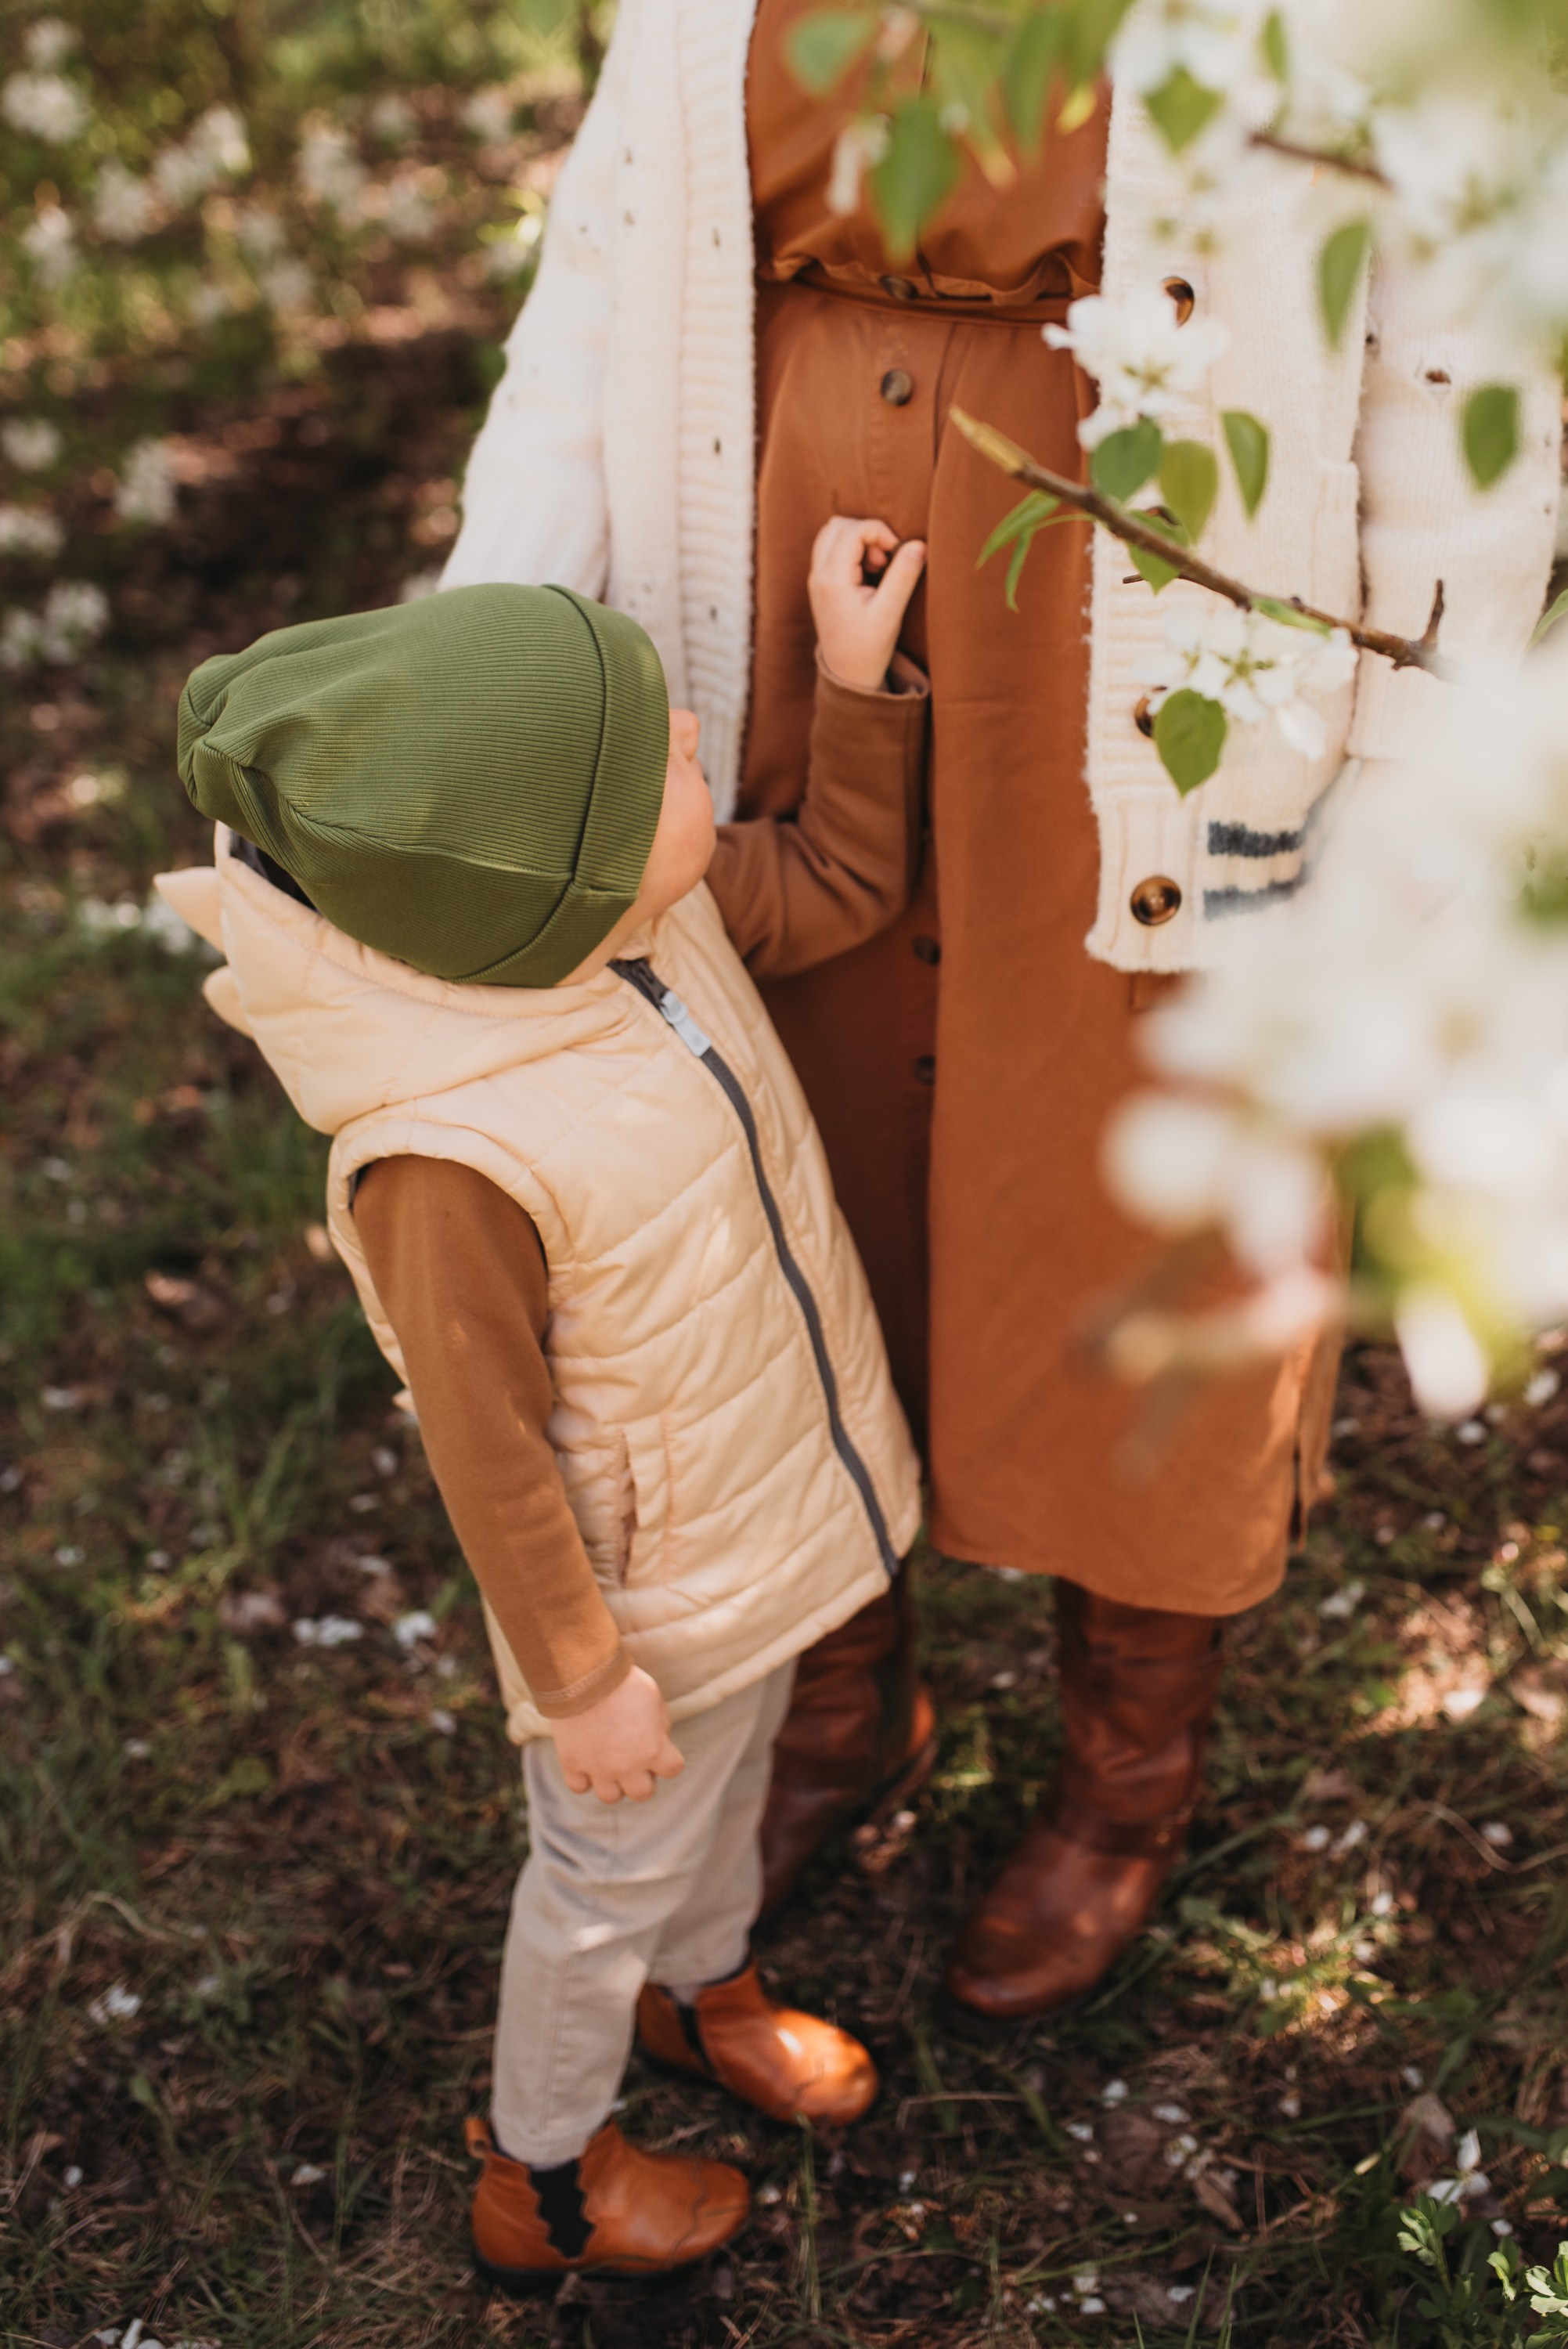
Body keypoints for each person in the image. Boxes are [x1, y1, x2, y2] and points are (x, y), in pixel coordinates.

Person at [438, 0, 1561, 2017]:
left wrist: (1413, 771)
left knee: (1139, 1202)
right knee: (793, 1179)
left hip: (1172, 642)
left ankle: (1128, 1784)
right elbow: (600, 293)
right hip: (769, 611)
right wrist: (490, 661)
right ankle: (844, 1706)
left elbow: (1449, 353)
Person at [153, 515, 931, 2282]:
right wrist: (582, 1682)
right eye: (667, 763)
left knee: (723, 1800)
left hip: (751, 1523)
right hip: (636, 1612)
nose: (701, 770)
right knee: (595, 1889)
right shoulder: (451, 1158)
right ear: (543, 877)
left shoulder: (633, 924)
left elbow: (833, 889)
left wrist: (862, 686)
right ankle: (548, 2172)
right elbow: (485, 1448)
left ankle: (703, 1986)